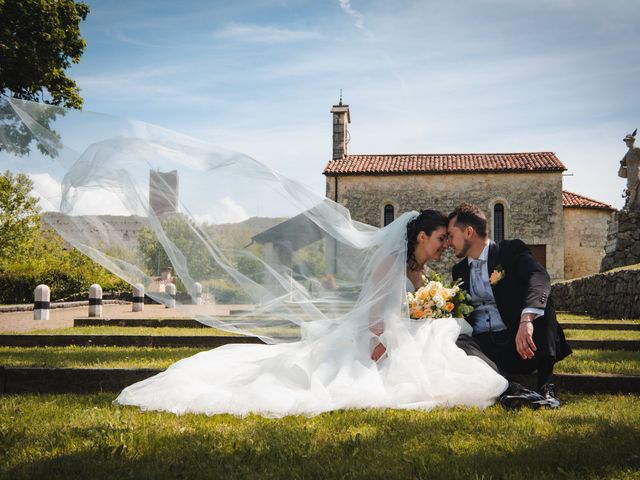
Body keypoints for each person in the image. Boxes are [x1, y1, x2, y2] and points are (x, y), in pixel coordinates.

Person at [115, 210, 514, 416]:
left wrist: (427, 314)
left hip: (397, 334)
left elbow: (407, 312)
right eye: (442, 238)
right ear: (422, 236)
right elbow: (376, 313)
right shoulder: (388, 266)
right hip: (374, 339)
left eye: (449, 238)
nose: (446, 244)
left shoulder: (422, 272)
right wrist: (379, 341)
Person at [448, 203, 572, 408]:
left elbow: (539, 276)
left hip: (521, 344)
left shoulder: (510, 251)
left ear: (469, 232)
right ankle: (513, 389)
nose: (449, 243)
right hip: (486, 350)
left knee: (543, 302)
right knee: (458, 339)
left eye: (452, 235)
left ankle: (546, 386)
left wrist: (527, 320)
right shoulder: (459, 271)